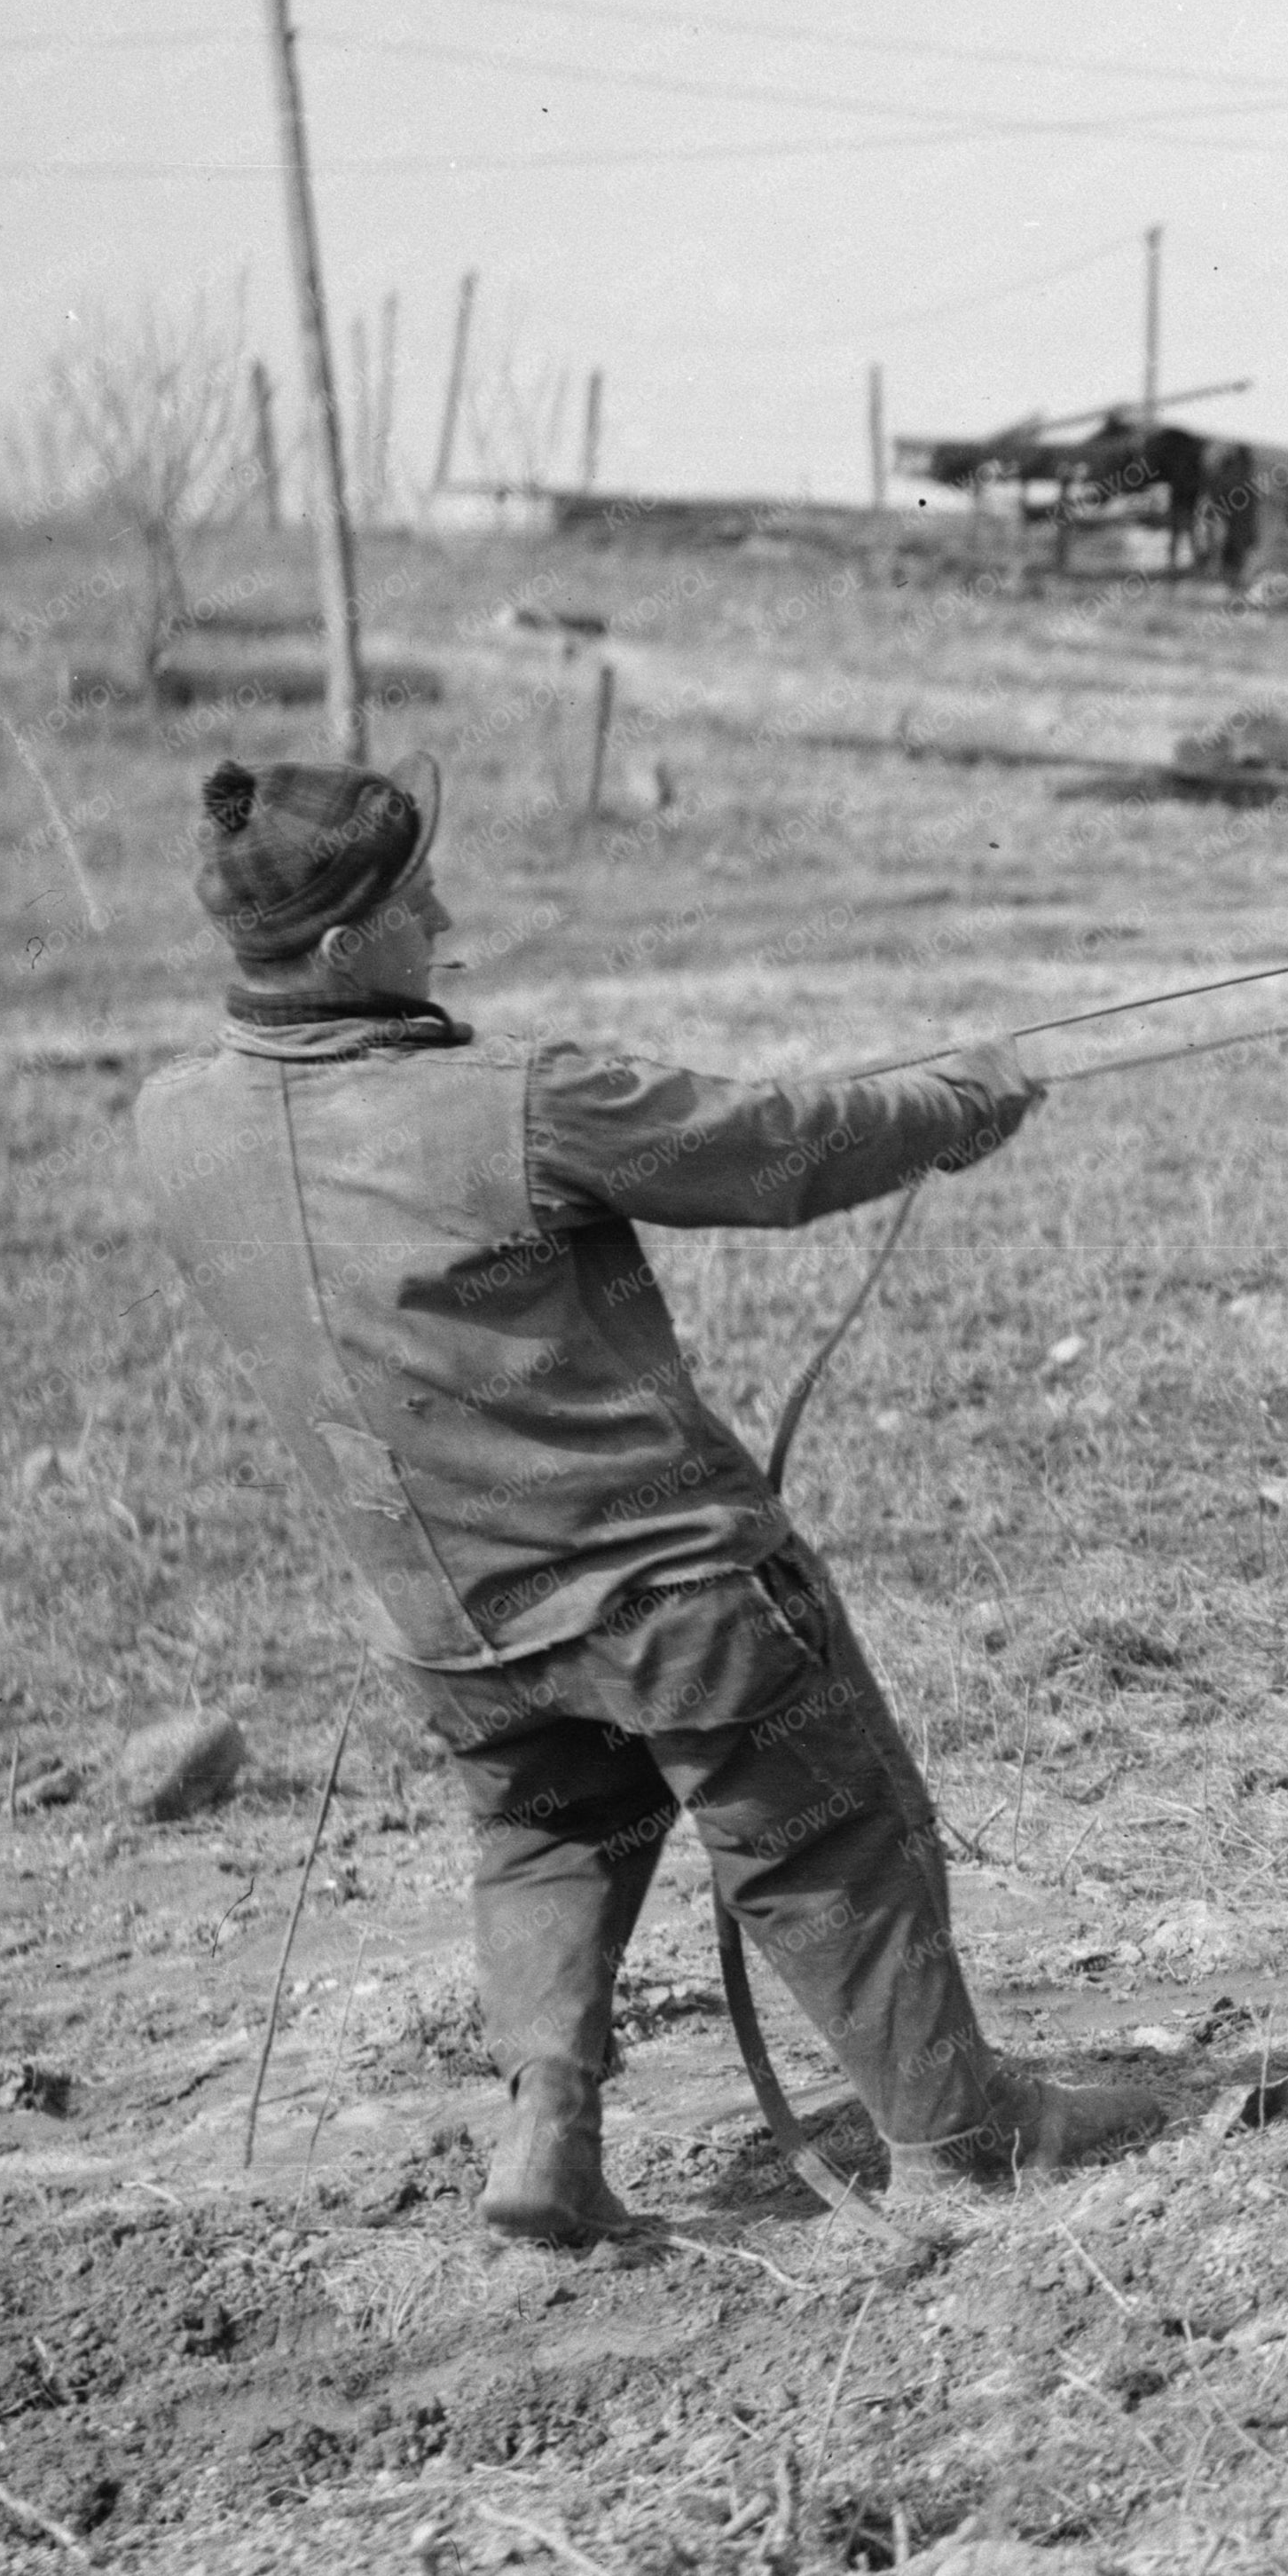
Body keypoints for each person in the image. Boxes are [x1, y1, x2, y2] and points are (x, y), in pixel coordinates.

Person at [133, 752, 1143, 2247]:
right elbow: (767, 1149)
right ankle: (969, 2137)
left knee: (548, 1834)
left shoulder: (170, 1122)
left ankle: (550, 2132)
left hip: (454, 1628)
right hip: (670, 1600)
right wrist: (951, 1099)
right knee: (831, 1837)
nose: (446, 913)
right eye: (417, 904)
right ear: (345, 950)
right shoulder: (520, 1100)